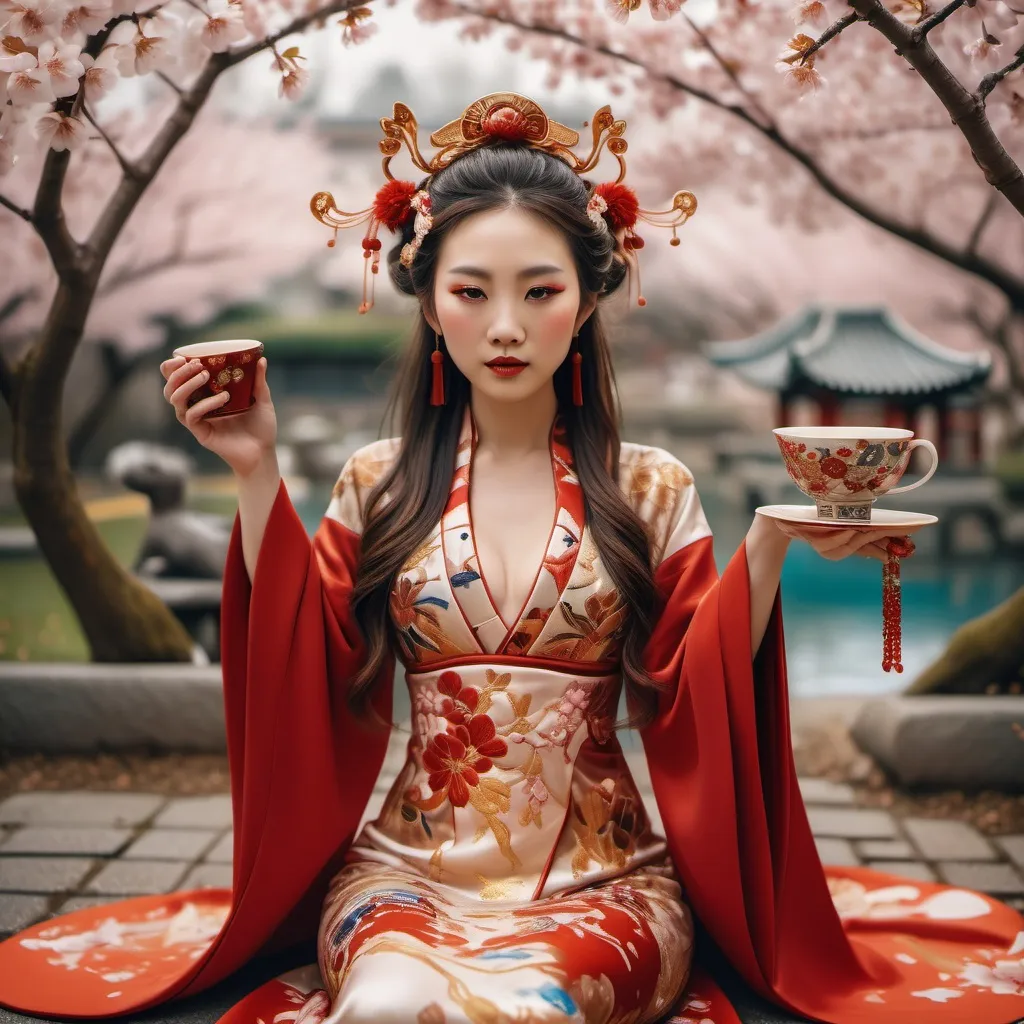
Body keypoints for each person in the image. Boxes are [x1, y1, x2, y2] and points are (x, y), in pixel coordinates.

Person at [0, 93, 1021, 1024]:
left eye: (538, 291)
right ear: (428, 300)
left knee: (532, 1009)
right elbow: (301, 659)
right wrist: (256, 467)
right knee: (385, 1009)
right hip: (405, 869)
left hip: (605, 881)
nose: (502, 325)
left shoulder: (651, 486)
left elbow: (690, 680)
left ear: (585, 301)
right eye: (471, 291)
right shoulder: (377, 480)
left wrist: (764, 547)